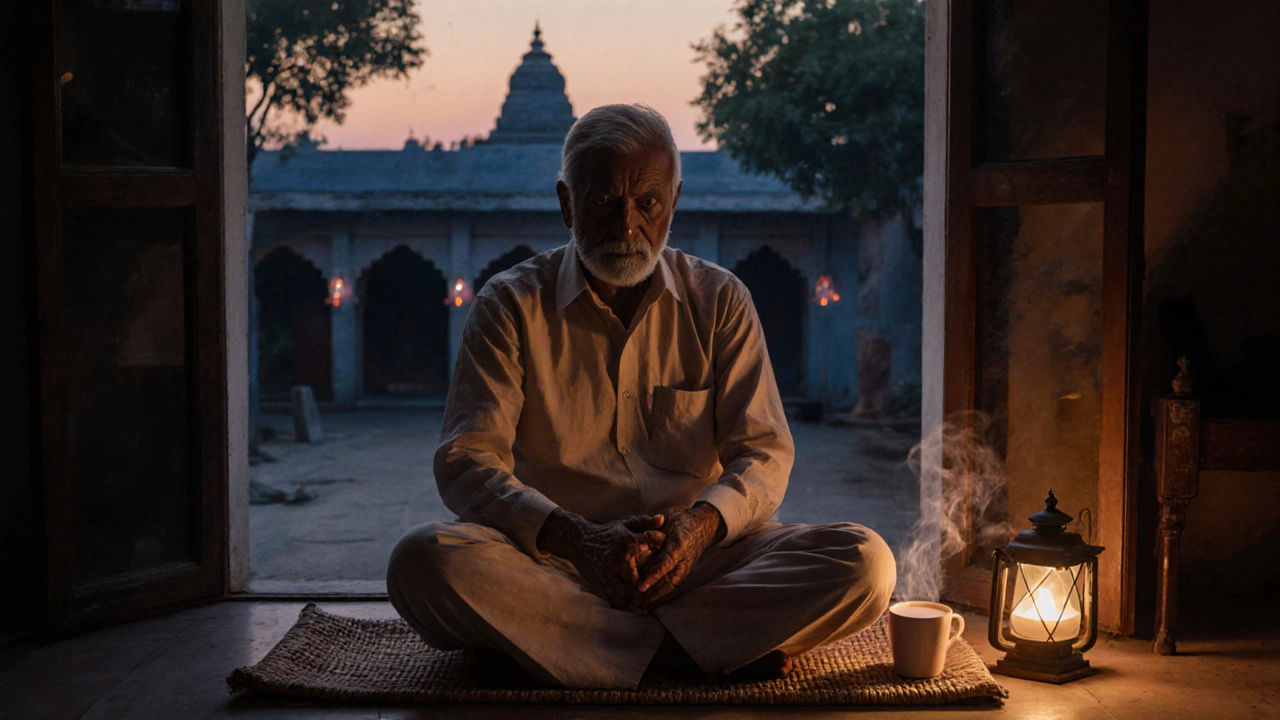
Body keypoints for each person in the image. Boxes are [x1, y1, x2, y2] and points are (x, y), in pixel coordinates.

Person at [386, 104, 895, 689]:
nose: (626, 228)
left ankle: (568, 649)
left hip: (701, 559)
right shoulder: (510, 305)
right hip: (556, 562)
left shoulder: (719, 300)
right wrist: (576, 538)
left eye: (647, 203)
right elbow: (466, 461)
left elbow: (765, 454)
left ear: (673, 202)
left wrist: (701, 526)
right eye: (603, 202)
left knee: (866, 562)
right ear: (567, 203)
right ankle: (692, 650)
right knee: (423, 561)